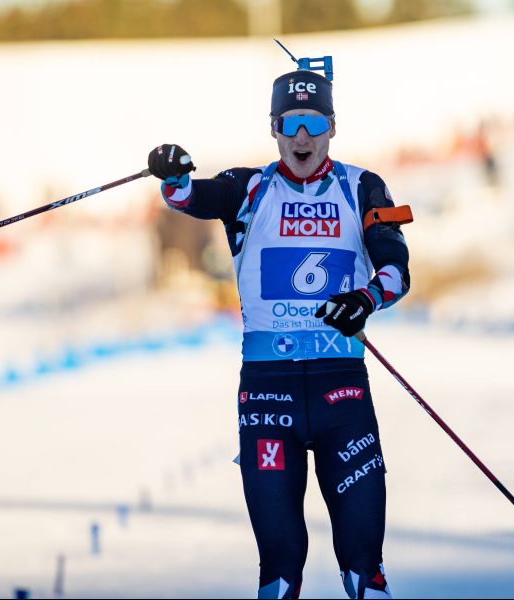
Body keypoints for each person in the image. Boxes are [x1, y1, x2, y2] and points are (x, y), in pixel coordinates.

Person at [147, 63, 412, 599]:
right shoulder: (247, 187)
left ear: (332, 126)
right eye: (290, 123)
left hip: (343, 392)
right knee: (279, 573)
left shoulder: (362, 186)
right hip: (269, 394)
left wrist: (366, 297)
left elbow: (396, 267)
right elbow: (187, 197)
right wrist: (171, 173)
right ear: (273, 127)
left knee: (365, 568)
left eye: (313, 122)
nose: (301, 137)